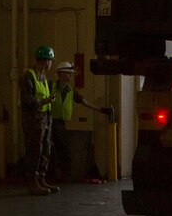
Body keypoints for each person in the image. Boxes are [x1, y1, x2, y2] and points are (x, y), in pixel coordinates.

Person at [50, 61, 109, 182]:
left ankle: (62, 175)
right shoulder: (50, 86)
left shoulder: (71, 90)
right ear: (60, 74)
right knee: (51, 150)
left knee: (62, 149)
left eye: (71, 74)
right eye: (68, 73)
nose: (70, 76)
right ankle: (50, 175)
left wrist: (101, 109)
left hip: (60, 123)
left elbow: (84, 102)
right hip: (48, 121)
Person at [21, 45, 59, 195]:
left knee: (45, 149)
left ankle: (41, 178)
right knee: (34, 151)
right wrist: (43, 101)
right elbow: (27, 100)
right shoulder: (28, 76)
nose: (51, 64)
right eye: (50, 60)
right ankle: (32, 181)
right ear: (45, 61)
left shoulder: (43, 78)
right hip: (33, 121)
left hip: (45, 120)